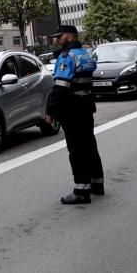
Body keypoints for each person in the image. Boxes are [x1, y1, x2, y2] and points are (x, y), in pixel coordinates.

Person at [45, 25, 104, 205]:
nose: (57, 40)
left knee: (76, 150)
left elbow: (60, 87)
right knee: (90, 145)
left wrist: (50, 110)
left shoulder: (67, 56)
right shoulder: (85, 54)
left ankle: (81, 191)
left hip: (72, 109)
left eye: (59, 36)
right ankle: (97, 184)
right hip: (87, 106)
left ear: (70, 37)